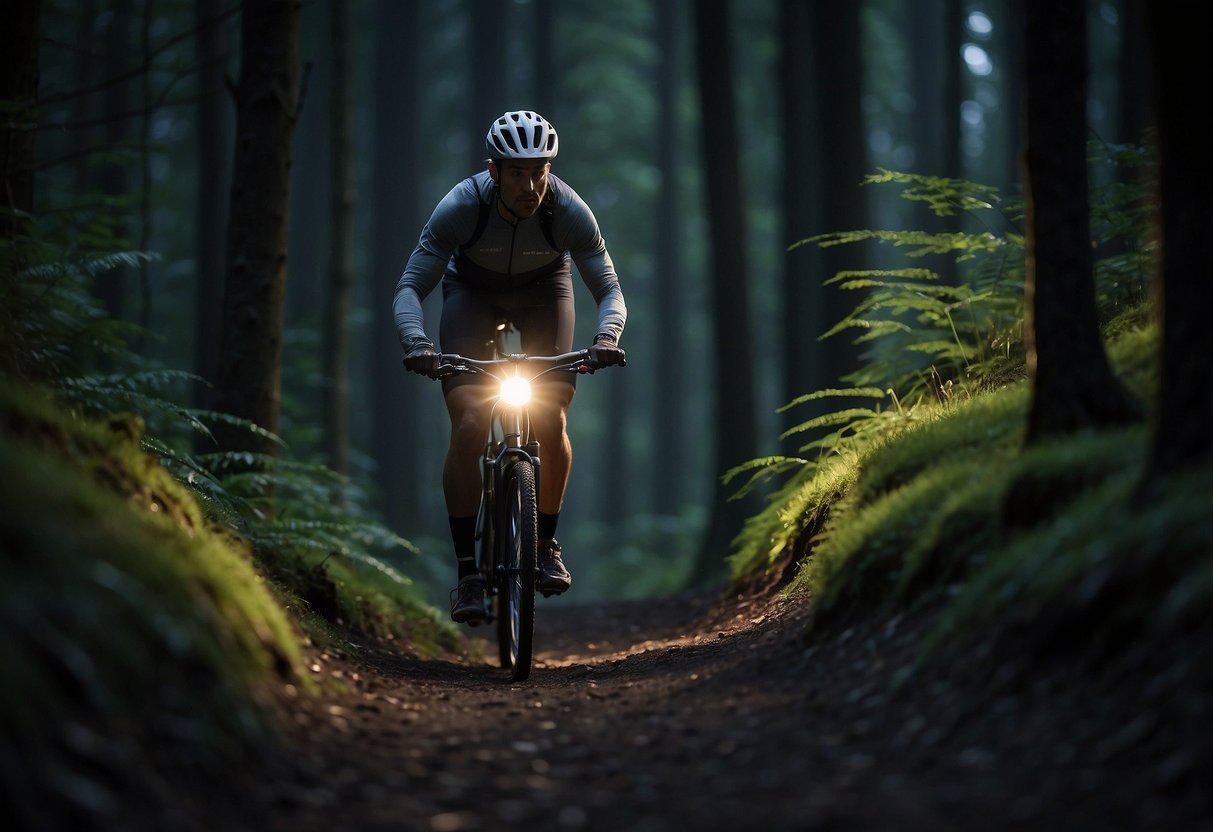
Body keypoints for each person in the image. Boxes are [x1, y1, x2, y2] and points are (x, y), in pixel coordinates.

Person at [395, 110, 627, 624]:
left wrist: (607, 337)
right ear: (493, 170)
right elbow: (411, 286)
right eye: (517, 172)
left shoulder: (569, 211)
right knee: (472, 423)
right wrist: (416, 342)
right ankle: (467, 575)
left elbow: (609, 290)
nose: (531, 184)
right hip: (471, 293)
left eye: (540, 170)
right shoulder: (461, 206)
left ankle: (545, 545)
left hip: (546, 292)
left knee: (551, 419)